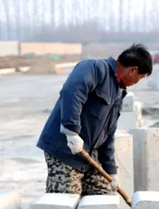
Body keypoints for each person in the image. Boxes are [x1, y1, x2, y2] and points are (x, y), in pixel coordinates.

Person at [37, 44, 152, 196]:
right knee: (66, 200)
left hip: (90, 156)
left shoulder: (119, 92)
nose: (137, 82)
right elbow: (72, 92)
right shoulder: (95, 68)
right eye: (140, 77)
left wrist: (111, 171)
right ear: (133, 70)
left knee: (103, 198)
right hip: (65, 150)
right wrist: (71, 131)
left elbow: (108, 135)